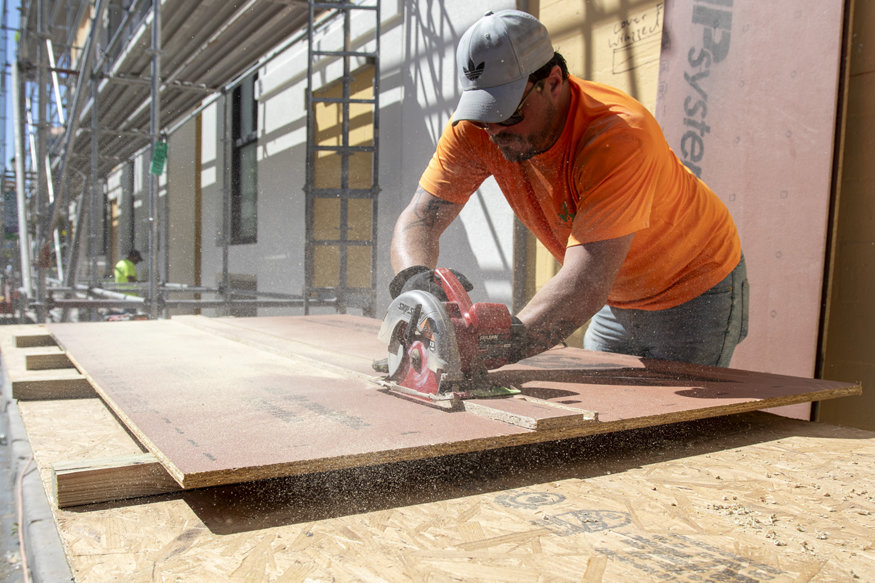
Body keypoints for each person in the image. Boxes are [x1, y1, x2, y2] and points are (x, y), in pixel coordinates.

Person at [390, 9, 748, 367]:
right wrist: (414, 284)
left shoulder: (618, 137)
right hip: (615, 296)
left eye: (508, 112)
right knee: (604, 415)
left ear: (554, 82)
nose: (495, 130)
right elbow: (421, 218)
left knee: (672, 421)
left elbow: (587, 281)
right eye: (485, 114)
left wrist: (493, 346)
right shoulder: (476, 129)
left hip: (692, 288)